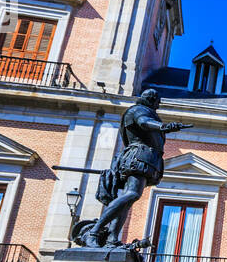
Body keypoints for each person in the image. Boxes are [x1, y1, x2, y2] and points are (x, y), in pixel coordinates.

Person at [78, 89, 188, 248]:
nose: (158, 105)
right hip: (138, 157)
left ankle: (112, 238)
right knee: (132, 194)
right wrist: (163, 126)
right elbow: (143, 122)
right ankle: (94, 232)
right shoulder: (139, 110)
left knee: (128, 201)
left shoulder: (145, 111)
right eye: (157, 102)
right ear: (151, 99)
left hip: (146, 159)